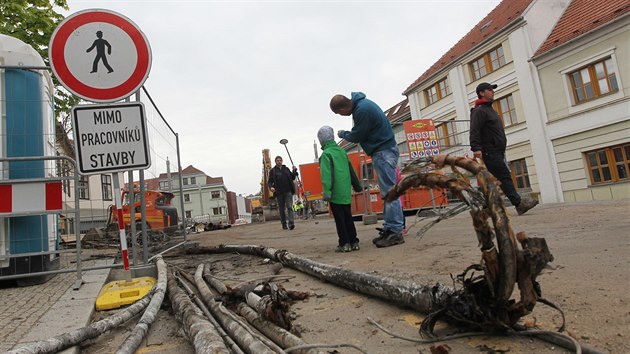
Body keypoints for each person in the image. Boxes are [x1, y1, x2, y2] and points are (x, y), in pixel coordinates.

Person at [330, 92, 405, 248]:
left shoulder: (361, 111)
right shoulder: (363, 105)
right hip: (384, 150)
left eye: (339, 113)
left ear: (343, 108)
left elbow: (357, 135)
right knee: (387, 193)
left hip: (383, 151)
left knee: (390, 193)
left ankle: (396, 231)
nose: (342, 116)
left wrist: (343, 134)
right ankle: (390, 228)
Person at [470, 82, 538, 215]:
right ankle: (519, 203)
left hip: (497, 150)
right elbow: (474, 130)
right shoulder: (479, 111)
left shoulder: (490, 110)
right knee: (504, 175)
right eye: (489, 90)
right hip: (489, 150)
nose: (492, 92)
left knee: (493, 180)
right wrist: (476, 148)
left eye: (492, 90)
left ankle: (486, 208)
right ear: (482, 93)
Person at [317, 126, 363, 252]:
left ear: (321, 140)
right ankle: (354, 242)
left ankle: (344, 243)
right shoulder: (342, 152)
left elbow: (327, 175)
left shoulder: (326, 155)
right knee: (348, 217)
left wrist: (327, 191)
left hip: (335, 193)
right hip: (345, 191)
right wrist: (357, 185)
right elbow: (351, 169)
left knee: (340, 219)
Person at [268, 156, 299, 230]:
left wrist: (294, 171)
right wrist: (271, 187)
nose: (279, 161)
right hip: (279, 193)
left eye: (280, 160)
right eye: (277, 160)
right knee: (281, 209)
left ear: (282, 161)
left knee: (289, 207)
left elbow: (292, 177)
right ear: (275, 162)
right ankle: (284, 223)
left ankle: (291, 223)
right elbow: (269, 181)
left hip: (288, 191)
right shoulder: (273, 171)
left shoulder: (286, 169)